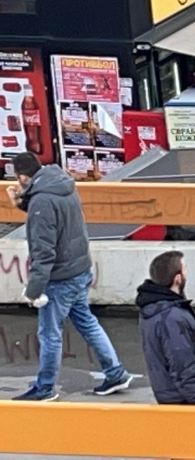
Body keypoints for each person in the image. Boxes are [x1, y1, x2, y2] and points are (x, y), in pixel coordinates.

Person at [7, 153, 132, 401]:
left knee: (49, 334)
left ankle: (45, 388)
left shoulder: (42, 201)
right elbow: (53, 216)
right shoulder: (62, 183)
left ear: (21, 177)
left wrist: (33, 290)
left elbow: (43, 250)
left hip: (60, 278)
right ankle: (115, 373)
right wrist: (22, 202)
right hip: (79, 269)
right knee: (87, 322)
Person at [136, 251, 195, 405]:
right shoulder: (172, 317)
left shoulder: (153, 308)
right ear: (178, 279)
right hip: (184, 400)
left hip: (170, 395)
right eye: (184, 269)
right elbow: (183, 367)